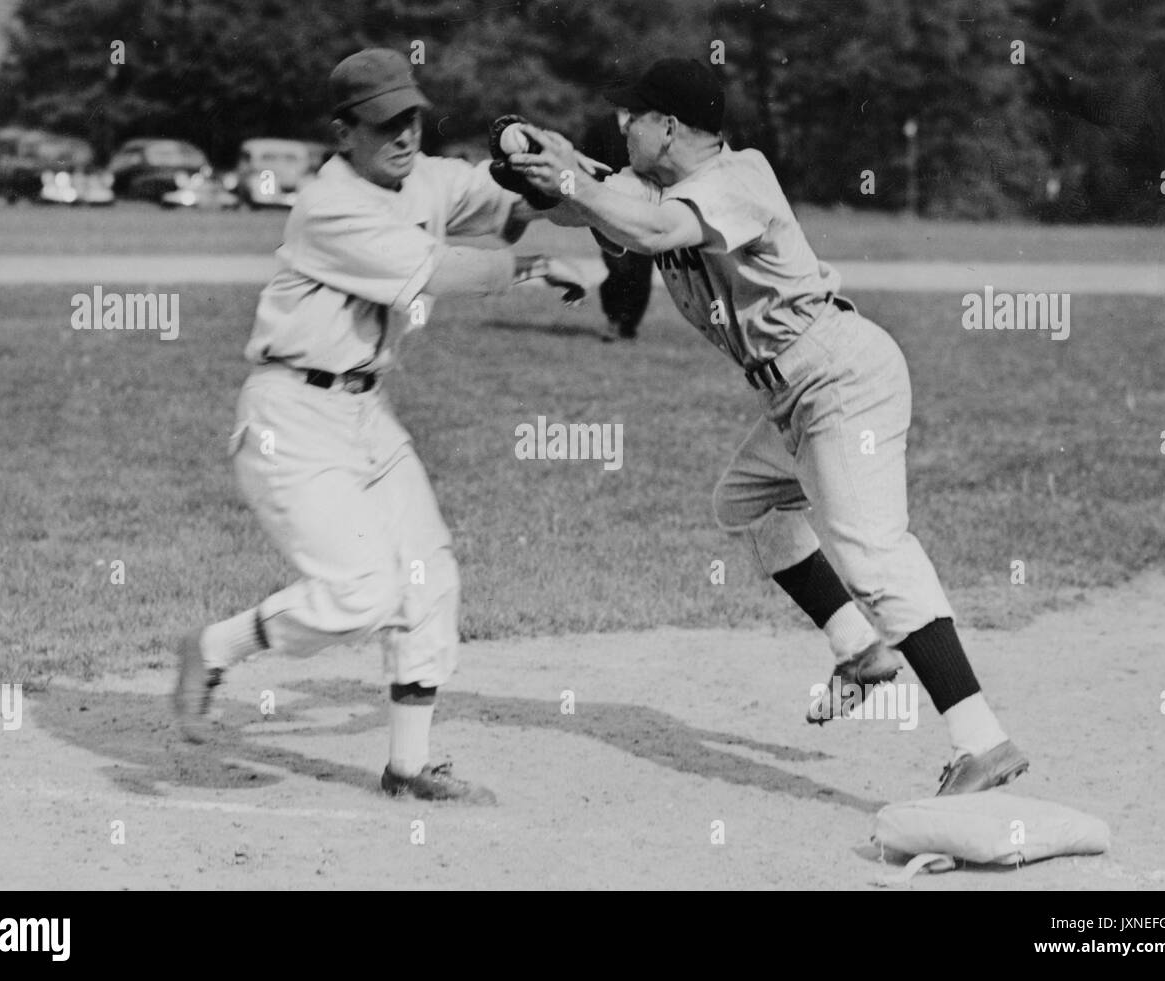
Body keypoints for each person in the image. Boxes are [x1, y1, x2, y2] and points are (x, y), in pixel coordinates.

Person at [507, 59, 1028, 795]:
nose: (622, 126)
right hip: (794, 391)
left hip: (837, 376)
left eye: (634, 116)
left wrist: (571, 179)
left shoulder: (735, 178)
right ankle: (859, 651)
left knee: (873, 553)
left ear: (670, 127)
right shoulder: (658, 185)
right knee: (744, 503)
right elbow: (589, 204)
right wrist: (538, 168)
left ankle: (984, 740)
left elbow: (651, 229)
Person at [171, 48, 586, 805]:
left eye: (412, 118)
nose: (403, 136)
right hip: (291, 417)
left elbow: (508, 210)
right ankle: (213, 648)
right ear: (343, 132)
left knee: (430, 577)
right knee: (363, 591)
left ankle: (407, 766)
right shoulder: (328, 206)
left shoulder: (423, 173)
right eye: (384, 124)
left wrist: (546, 177)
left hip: (367, 412)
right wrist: (531, 270)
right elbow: (442, 271)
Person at [580, 109, 653, 341]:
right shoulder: (601, 128)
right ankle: (613, 319)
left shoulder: (650, 127)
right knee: (618, 267)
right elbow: (586, 165)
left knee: (641, 272)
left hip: (645, 210)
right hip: (608, 210)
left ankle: (629, 324)